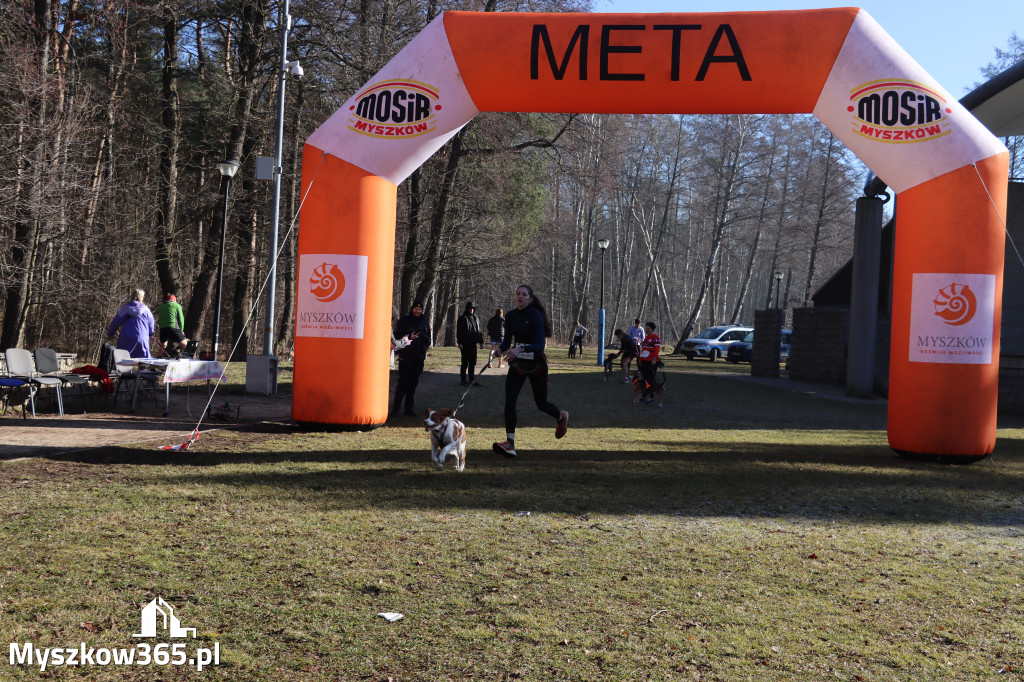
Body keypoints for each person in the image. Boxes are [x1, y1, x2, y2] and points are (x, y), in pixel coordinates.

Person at [491, 285, 569, 458]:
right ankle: (509, 443)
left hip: (537, 365)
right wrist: (500, 350)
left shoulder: (535, 315)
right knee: (510, 399)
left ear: (530, 299)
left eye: (524, 294)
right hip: (518, 365)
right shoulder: (510, 316)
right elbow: (507, 341)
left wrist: (520, 349)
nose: (520, 296)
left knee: (541, 403)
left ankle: (561, 418)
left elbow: (539, 345)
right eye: (518, 294)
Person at [392, 299, 431, 416]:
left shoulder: (425, 323)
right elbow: (396, 337)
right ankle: (395, 409)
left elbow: (429, 341)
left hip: (419, 357)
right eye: (415, 309)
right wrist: (409, 336)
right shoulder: (404, 321)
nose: (417, 311)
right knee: (403, 383)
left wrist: (423, 336)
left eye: (419, 309)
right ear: (412, 309)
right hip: (406, 357)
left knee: (413, 383)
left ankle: (409, 409)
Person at [107, 288, 156, 359]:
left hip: (126, 338)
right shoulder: (146, 310)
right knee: (144, 361)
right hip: (142, 338)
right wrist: (151, 333)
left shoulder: (125, 308)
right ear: (142, 297)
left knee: (123, 360)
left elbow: (116, 322)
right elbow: (151, 324)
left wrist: (110, 333)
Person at [456, 301, 485, 386]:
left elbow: (478, 331)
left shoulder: (476, 318)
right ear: (467, 308)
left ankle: (471, 380)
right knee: (465, 362)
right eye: (470, 308)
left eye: (473, 308)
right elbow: (459, 332)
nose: (471, 309)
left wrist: (481, 342)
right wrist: (459, 343)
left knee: (472, 363)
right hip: (465, 344)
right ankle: (463, 380)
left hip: (473, 344)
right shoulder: (462, 318)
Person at [156, 293, 188, 358]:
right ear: (174, 300)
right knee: (185, 344)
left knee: (163, 346)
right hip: (173, 327)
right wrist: (181, 330)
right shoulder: (177, 305)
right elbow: (181, 319)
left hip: (163, 328)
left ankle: (157, 361)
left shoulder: (161, 306)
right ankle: (186, 359)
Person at [636, 321, 662, 402]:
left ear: (652, 329)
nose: (647, 330)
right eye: (646, 328)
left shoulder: (656, 338)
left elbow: (656, 350)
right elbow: (644, 350)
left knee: (651, 379)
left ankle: (651, 397)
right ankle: (644, 395)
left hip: (651, 362)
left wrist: (654, 360)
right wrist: (640, 359)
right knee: (644, 379)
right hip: (644, 361)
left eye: (648, 328)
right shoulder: (646, 338)